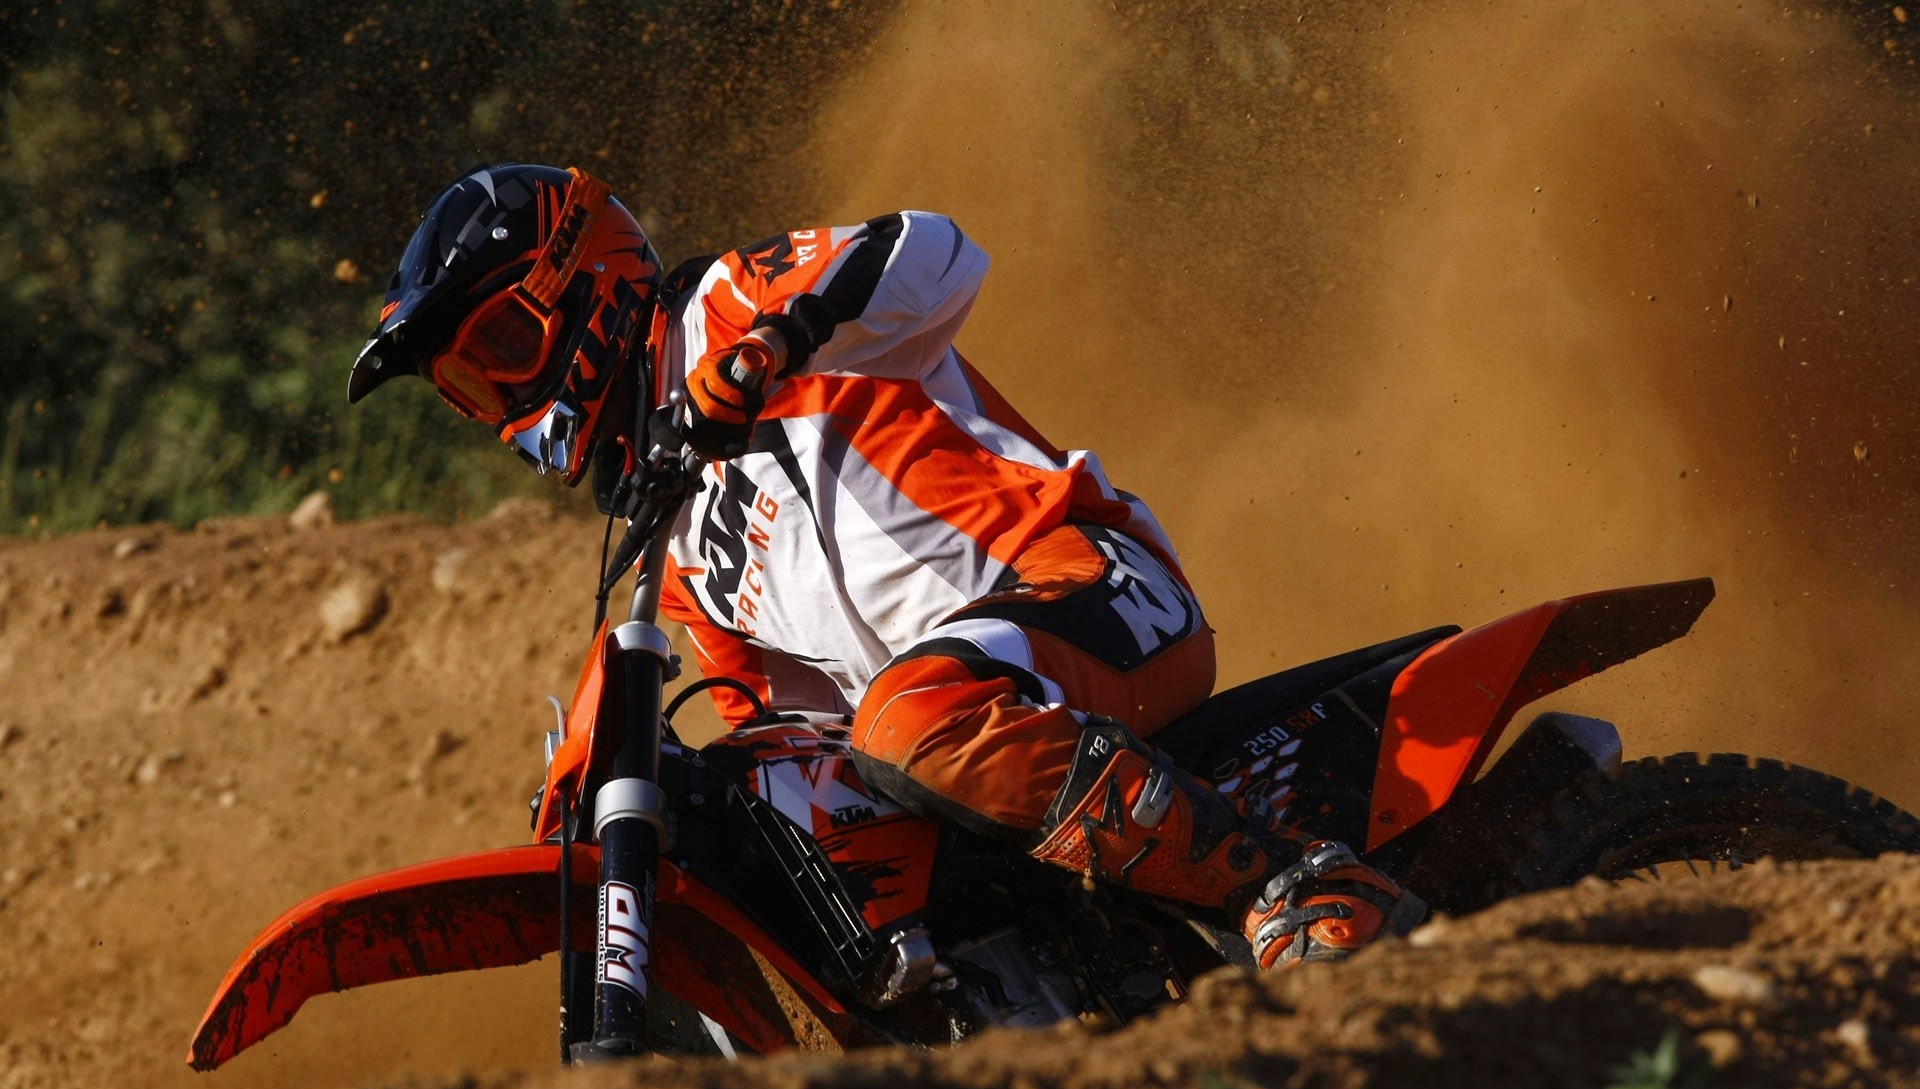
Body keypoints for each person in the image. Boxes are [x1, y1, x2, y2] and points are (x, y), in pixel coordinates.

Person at [347, 163, 1421, 969]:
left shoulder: (723, 305)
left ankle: (1288, 885)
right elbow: (797, 725)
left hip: (1094, 584)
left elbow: (934, 250)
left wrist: (776, 341)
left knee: (911, 715)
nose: (506, 405)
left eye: (502, 350)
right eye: (471, 390)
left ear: (584, 280)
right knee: (790, 801)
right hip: (965, 729)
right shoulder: (668, 543)